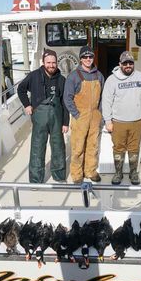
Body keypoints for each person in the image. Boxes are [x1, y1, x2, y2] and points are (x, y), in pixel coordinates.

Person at [18, 49, 69, 184]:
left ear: (57, 63)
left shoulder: (62, 79)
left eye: (53, 62)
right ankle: (36, 179)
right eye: (48, 62)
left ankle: (59, 176)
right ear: (43, 62)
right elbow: (21, 89)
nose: (51, 65)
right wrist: (27, 105)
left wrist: (65, 122)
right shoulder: (33, 76)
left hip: (57, 119)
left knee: (58, 147)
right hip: (39, 118)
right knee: (37, 148)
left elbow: (64, 103)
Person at [102, 51, 141, 185]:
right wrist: (108, 120)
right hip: (118, 122)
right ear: (120, 64)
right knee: (118, 148)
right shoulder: (112, 80)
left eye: (130, 63)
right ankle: (118, 173)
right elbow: (106, 101)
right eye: (125, 63)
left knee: (134, 148)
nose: (128, 65)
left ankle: (133, 173)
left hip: (136, 121)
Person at [63, 46, 104, 184]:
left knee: (93, 145)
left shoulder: (99, 75)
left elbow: (103, 96)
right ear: (80, 59)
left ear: (93, 58)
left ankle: (90, 171)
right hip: (80, 116)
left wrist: (100, 113)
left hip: (95, 115)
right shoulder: (74, 76)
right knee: (78, 146)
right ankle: (77, 174)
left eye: (90, 57)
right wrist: (76, 114)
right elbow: (67, 98)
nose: (88, 59)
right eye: (85, 57)